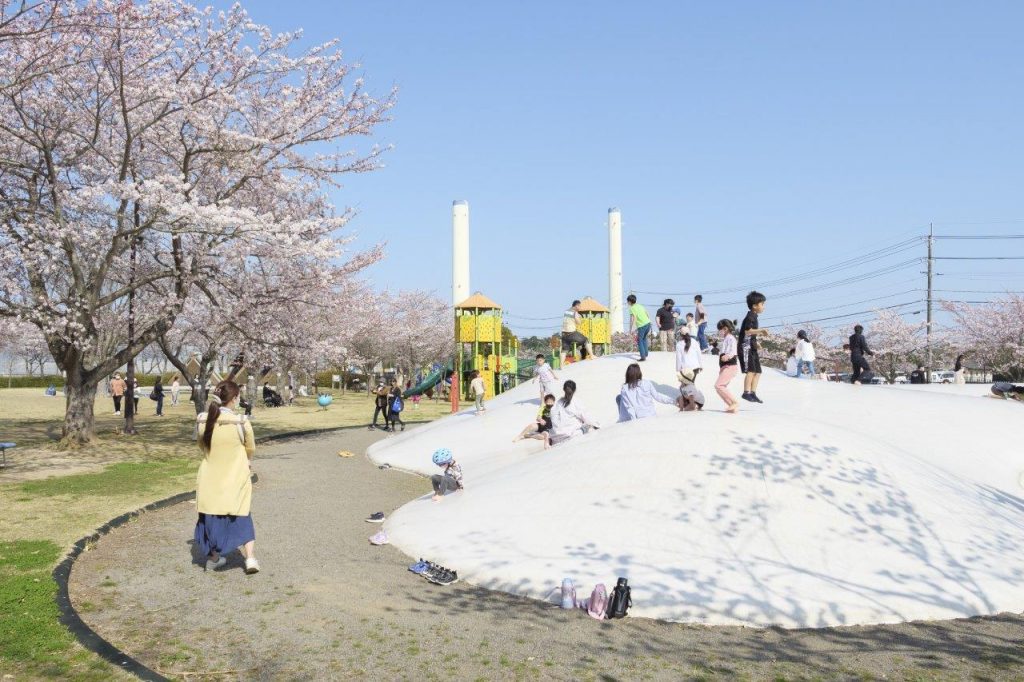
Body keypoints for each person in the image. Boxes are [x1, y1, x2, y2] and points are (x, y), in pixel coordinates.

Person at [194, 380, 259, 574]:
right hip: (236, 476)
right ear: (235, 398)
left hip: (210, 477)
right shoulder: (241, 422)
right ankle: (250, 558)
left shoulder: (202, 421)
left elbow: (202, 446)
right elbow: (250, 447)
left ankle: (214, 557)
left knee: (210, 517)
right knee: (242, 514)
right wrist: (247, 460)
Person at [739, 291, 769, 403]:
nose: (764, 307)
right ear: (755, 306)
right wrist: (761, 331)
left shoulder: (754, 317)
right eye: (762, 304)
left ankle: (753, 392)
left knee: (758, 371)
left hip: (751, 346)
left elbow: (751, 334)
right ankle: (746, 392)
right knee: (751, 370)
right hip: (745, 347)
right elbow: (747, 331)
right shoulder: (750, 317)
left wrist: (756, 342)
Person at [549, 380, 600, 445]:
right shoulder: (576, 401)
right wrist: (596, 425)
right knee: (589, 428)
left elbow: (553, 418)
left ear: (563, 389)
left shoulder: (558, 402)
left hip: (555, 435)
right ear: (575, 390)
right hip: (570, 434)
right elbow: (585, 416)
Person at [715, 319, 740, 413]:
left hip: (730, 366)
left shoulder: (730, 338)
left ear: (725, 329)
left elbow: (733, 351)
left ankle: (734, 402)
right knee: (720, 388)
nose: (719, 332)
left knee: (719, 385)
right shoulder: (726, 339)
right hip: (725, 366)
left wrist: (727, 356)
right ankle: (731, 406)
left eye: (719, 329)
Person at [627, 294, 652, 361]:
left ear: (629, 301)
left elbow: (632, 319)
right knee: (644, 338)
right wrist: (649, 321)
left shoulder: (632, 308)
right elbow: (647, 313)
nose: (627, 303)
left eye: (627, 301)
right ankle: (646, 353)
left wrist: (631, 329)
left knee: (639, 340)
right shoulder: (640, 305)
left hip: (642, 325)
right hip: (648, 323)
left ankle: (643, 357)